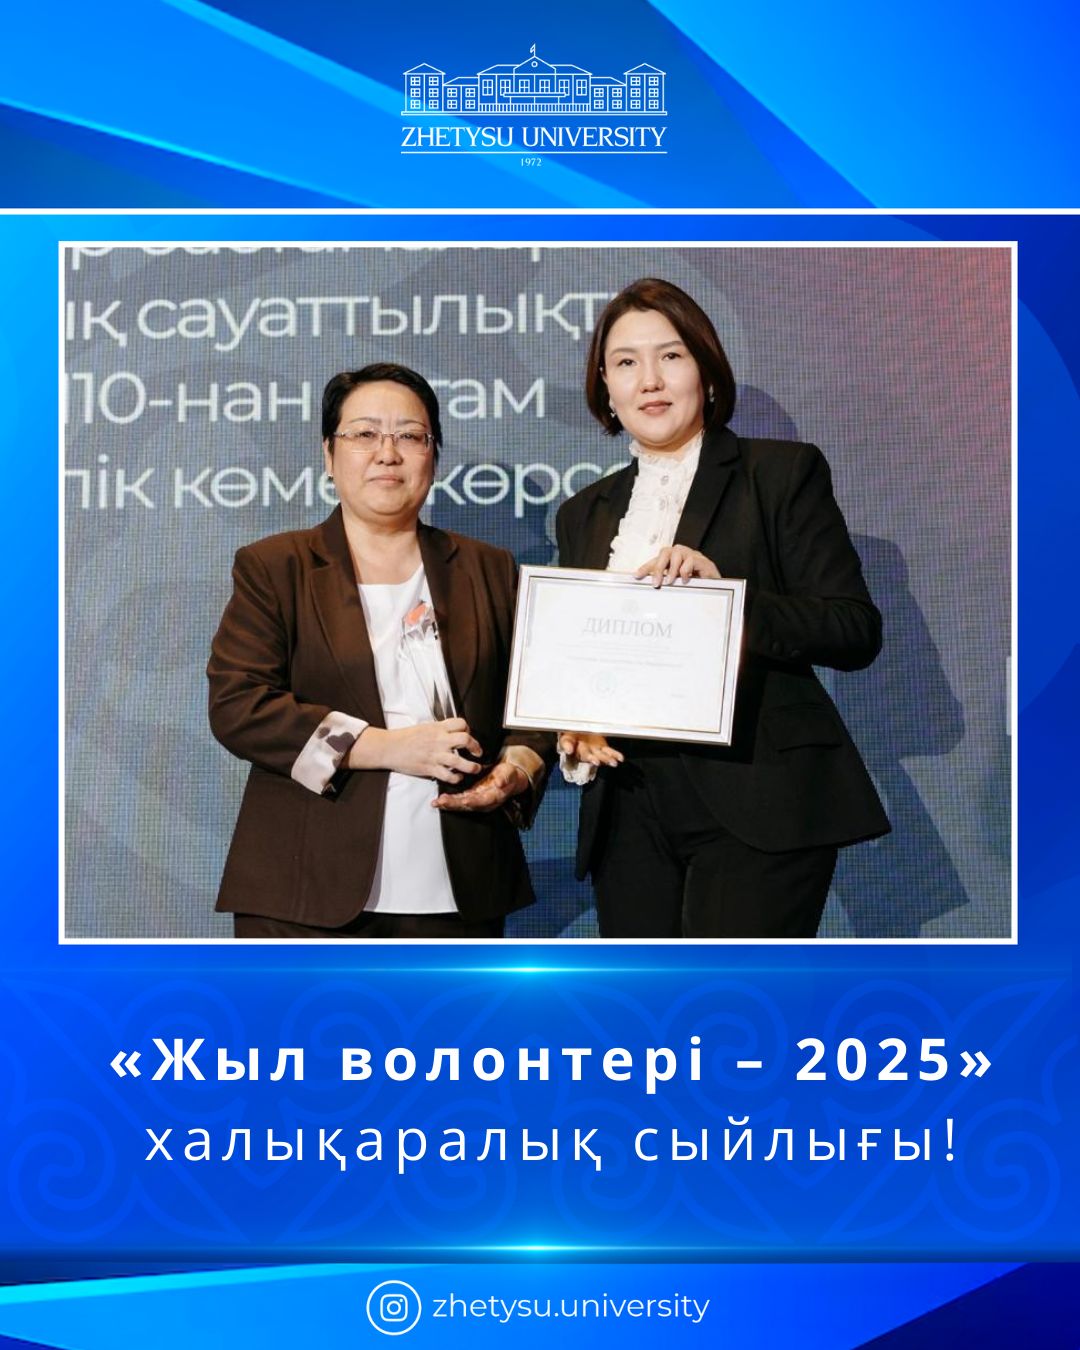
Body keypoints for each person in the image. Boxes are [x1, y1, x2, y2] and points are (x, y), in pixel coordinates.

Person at [556, 279, 889, 939]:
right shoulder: (582, 514)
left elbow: (854, 630)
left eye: (670, 356)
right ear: (606, 388)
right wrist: (575, 724)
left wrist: (728, 601)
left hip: (759, 792)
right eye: (626, 362)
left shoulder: (780, 473)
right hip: (627, 805)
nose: (649, 380)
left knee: (732, 995)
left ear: (706, 372)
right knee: (643, 999)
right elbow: (582, 659)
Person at [208, 363, 548, 939]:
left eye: (410, 436)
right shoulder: (276, 566)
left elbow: (537, 704)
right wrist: (388, 747)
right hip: (304, 887)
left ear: (433, 456)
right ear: (329, 454)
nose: (388, 453)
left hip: (459, 886)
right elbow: (239, 706)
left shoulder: (487, 569)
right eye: (365, 434)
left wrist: (517, 769)